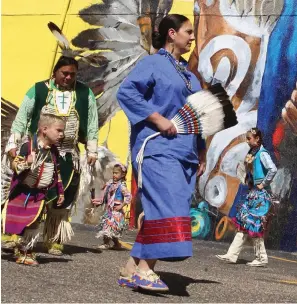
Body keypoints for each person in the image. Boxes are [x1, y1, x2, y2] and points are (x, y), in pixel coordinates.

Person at [116, 14, 207, 291]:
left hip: (185, 152)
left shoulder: (191, 76)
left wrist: (201, 152)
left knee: (160, 208)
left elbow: (198, 115)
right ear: (171, 33)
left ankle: (131, 268)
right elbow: (126, 93)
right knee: (169, 206)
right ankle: (145, 271)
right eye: (188, 32)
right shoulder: (153, 63)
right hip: (155, 147)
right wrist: (157, 119)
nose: (192, 37)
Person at [4, 56, 98, 255]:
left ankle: (53, 238)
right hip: (38, 151)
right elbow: (22, 117)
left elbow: (92, 122)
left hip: (67, 154)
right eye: (64, 73)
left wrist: (92, 149)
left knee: (62, 198)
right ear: (55, 71)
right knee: (26, 191)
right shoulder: (38, 89)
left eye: (72, 74)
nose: (68, 77)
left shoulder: (84, 92)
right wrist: (13, 142)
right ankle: (16, 234)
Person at [2, 114, 65, 266]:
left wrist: (60, 191)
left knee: (34, 223)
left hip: (39, 195)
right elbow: (15, 166)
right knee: (13, 222)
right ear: (44, 129)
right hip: (22, 193)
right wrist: (26, 161)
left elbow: (57, 173)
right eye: (59, 130)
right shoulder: (28, 147)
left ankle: (26, 251)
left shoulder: (53, 151)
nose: (62, 134)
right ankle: (22, 249)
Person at [216, 128, 277, 267]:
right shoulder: (253, 153)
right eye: (247, 138)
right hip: (254, 193)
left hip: (261, 196)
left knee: (254, 226)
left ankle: (261, 258)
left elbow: (272, 169)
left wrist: (263, 184)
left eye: (249, 138)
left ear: (257, 139)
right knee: (244, 224)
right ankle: (232, 255)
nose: (247, 141)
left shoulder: (262, 154)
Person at [92, 163, 132, 250]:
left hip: (116, 211)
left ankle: (106, 243)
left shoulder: (122, 186)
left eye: (116, 173)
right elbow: (106, 196)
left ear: (123, 174)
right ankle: (116, 244)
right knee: (109, 227)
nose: (114, 175)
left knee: (110, 227)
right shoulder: (110, 184)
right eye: (113, 173)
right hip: (109, 210)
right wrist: (100, 201)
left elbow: (129, 196)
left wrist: (121, 205)